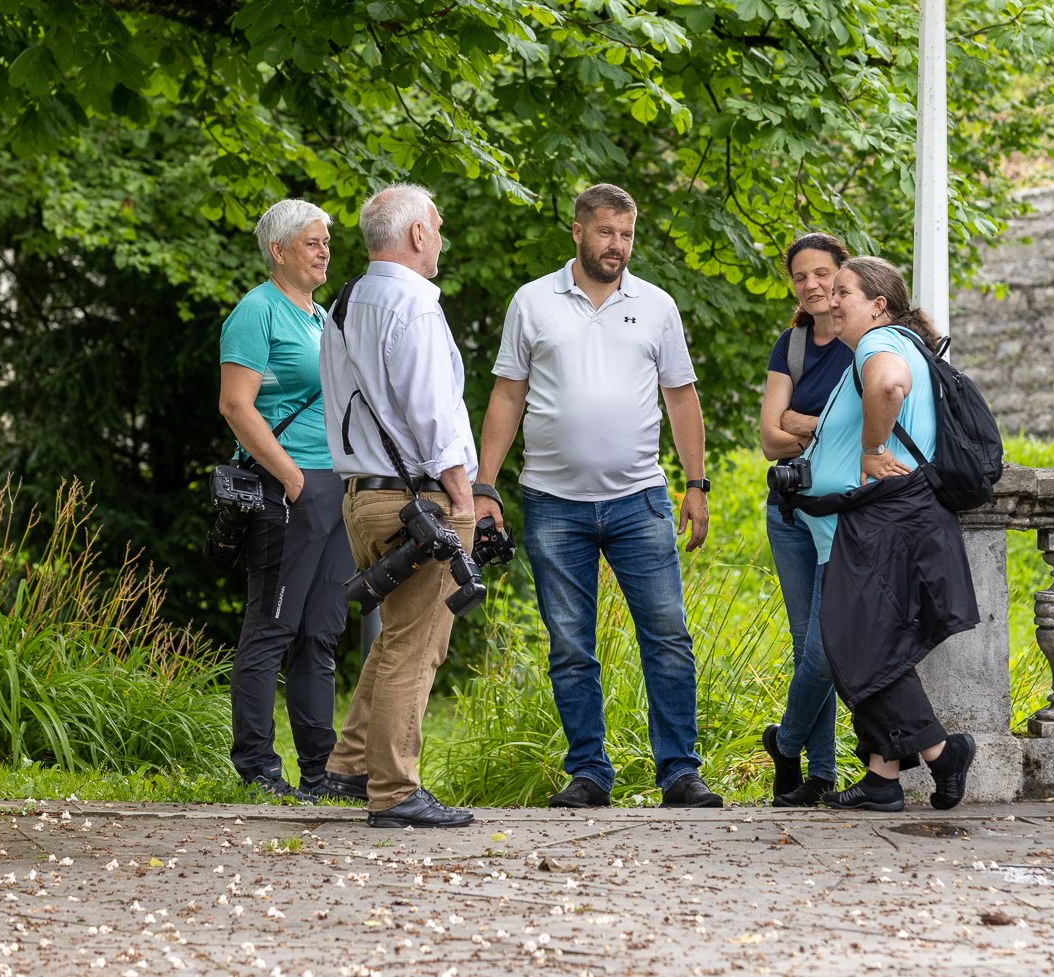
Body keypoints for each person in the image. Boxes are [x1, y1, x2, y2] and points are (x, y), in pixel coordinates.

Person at [477, 183, 722, 810]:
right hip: (552, 502)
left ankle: (680, 773)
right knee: (570, 645)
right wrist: (484, 486)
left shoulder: (657, 305)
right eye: (607, 232)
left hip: (640, 499)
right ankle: (588, 772)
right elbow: (508, 394)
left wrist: (696, 484)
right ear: (578, 232)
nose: (617, 245)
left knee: (668, 637)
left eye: (627, 235)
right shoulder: (532, 302)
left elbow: (681, 398)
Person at [789, 256, 978, 812]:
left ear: (877, 305)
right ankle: (883, 778)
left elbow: (890, 385)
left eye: (843, 291)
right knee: (874, 649)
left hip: (882, 522)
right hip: (882, 521)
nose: (831, 299)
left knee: (858, 649)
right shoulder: (889, 343)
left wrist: (872, 449)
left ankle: (943, 753)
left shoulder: (880, 343)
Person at [316, 185, 477, 829]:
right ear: (415, 234)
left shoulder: (345, 301)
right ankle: (395, 792)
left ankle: (349, 767)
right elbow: (433, 415)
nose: (441, 240)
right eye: (437, 228)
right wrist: (464, 498)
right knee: (416, 647)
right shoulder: (413, 304)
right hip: (420, 500)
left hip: (363, 496)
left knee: (396, 639)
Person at [217, 198, 353, 802]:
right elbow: (235, 405)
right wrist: (293, 479)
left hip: (336, 488)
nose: (325, 252)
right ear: (278, 251)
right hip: (287, 488)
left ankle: (320, 772)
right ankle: (257, 769)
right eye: (312, 242)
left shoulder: (322, 317)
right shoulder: (257, 311)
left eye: (326, 242)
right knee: (272, 628)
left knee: (319, 634)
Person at [757, 232, 852, 807]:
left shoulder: (865, 340)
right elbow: (770, 441)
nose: (812, 285)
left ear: (844, 273)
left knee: (825, 646)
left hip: (841, 516)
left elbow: (869, 431)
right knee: (804, 644)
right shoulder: (791, 345)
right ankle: (820, 774)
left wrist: (803, 421)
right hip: (789, 511)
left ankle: (785, 743)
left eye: (822, 273)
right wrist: (823, 432)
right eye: (800, 276)